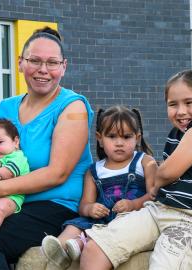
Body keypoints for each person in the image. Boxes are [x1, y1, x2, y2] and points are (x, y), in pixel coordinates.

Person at [79, 70, 192, 270]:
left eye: (189, 103)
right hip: (161, 211)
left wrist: (158, 181)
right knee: (97, 248)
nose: (180, 111)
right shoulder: (175, 135)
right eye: (173, 104)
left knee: (166, 262)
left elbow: (167, 173)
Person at [0, 26, 94, 269]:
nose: (43, 70)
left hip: (58, 206)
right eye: (35, 61)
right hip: (14, 203)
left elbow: (58, 173)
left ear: (63, 67)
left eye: (52, 63)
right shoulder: (6, 108)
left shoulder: (72, 107)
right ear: (20, 63)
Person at [41, 106, 158, 269]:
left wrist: (133, 204)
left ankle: (80, 244)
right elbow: (84, 205)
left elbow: (154, 195)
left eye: (126, 137)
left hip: (130, 218)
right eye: (111, 136)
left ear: (137, 138)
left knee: (102, 233)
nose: (119, 143)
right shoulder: (94, 170)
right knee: (75, 225)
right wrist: (90, 209)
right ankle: (59, 249)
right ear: (100, 138)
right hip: (101, 219)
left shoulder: (144, 161)